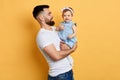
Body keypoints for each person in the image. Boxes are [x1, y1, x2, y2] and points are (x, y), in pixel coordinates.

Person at [32, 5, 77, 80]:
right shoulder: (42, 36)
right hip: (60, 75)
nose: (52, 15)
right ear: (41, 18)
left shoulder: (54, 29)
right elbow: (56, 56)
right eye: (49, 14)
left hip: (67, 72)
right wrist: (72, 49)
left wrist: (70, 46)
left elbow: (72, 39)